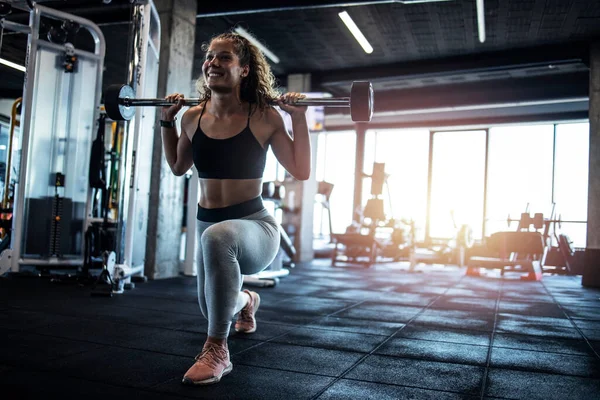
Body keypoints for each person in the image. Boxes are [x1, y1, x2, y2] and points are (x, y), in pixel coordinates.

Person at [159, 30, 311, 386]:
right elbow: (179, 167)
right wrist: (167, 121)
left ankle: (217, 348)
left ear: (244, 70)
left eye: (224, 57)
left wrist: (299, 120)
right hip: (207, 224)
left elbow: (300, 170)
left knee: (219, 238)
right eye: (210, 56)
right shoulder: (192, 117)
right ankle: (246, 300)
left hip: (254, 226)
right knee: (213, 306)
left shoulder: (264, 117)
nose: (213, 62)